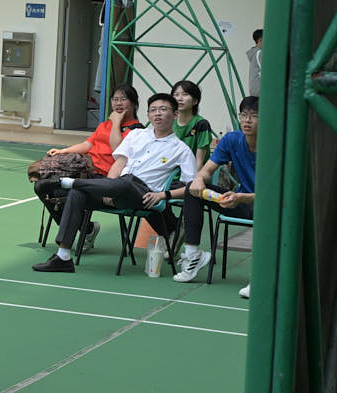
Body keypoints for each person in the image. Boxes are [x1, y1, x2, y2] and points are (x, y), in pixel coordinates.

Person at [33, 92, 197, 273]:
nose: (157, 113)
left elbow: (191, 187)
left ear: (175, 114)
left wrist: (162, 195)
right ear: (148, 115)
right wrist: (108, 189)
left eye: (163, 109)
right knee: (77, 193)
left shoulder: (181, 149)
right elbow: (119, 162)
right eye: (153, 110)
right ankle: (63, 257)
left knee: (126, 183)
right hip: (117, 187)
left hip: (144, 195)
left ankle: (68, 182)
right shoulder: (137, 134)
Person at [172, 94, 260, 283]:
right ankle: (193, 255)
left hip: (267, 206)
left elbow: (274, 195)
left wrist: (241, 197)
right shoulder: (232, 140)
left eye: (254, 116)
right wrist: (198, 179)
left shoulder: (274, 145)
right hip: (239, 203)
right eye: (244, 115)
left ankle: (260, 279)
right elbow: (207, 170)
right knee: (191, 190)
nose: (247, 120)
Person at [29, 82, 143, 221]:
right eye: (115, 99)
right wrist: (63, 151)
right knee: (41, 185)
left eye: (123, 99)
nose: (118, 103)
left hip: (103, 178)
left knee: (63, 192)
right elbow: (87, 144)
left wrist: (116, 123)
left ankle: (83, 228)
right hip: (85, 170)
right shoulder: (104, 125)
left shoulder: (137, 130)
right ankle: (86, 228)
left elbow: (117, 150)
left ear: (134, 103)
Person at [170, 79, 216, 168]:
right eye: (176, 95)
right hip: (172, 172)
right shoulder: (170, 122)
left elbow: (199, 162)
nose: (179, 98)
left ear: (195, 101)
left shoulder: (201, 124)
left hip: (192, 172)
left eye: (185, 94)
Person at [246, 28, 264, 95]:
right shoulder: (260, 53)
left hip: (254, 90)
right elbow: (269, 70)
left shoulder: (254, 53)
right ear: (260, 40)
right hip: (260, 89)